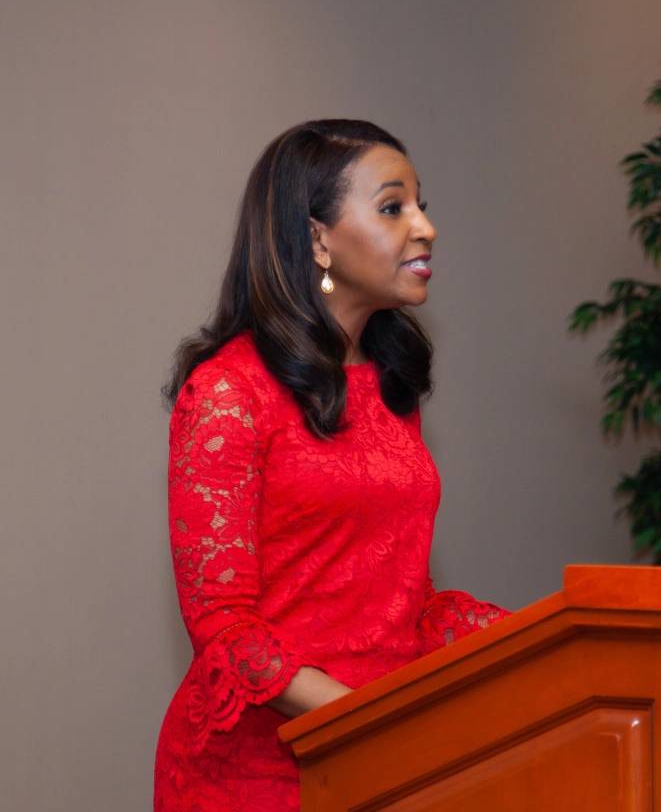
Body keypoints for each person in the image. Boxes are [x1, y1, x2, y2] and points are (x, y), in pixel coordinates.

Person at [153, 120, 508, 811]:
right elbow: (226, 633)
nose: (425, 228)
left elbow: (399, 603)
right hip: (260, 774)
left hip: (379, 754)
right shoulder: (228, 392)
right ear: (318, 237)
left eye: (421, 205)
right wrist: (373, 721)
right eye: (392, 207)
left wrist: (552, 629)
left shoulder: (389, 386)